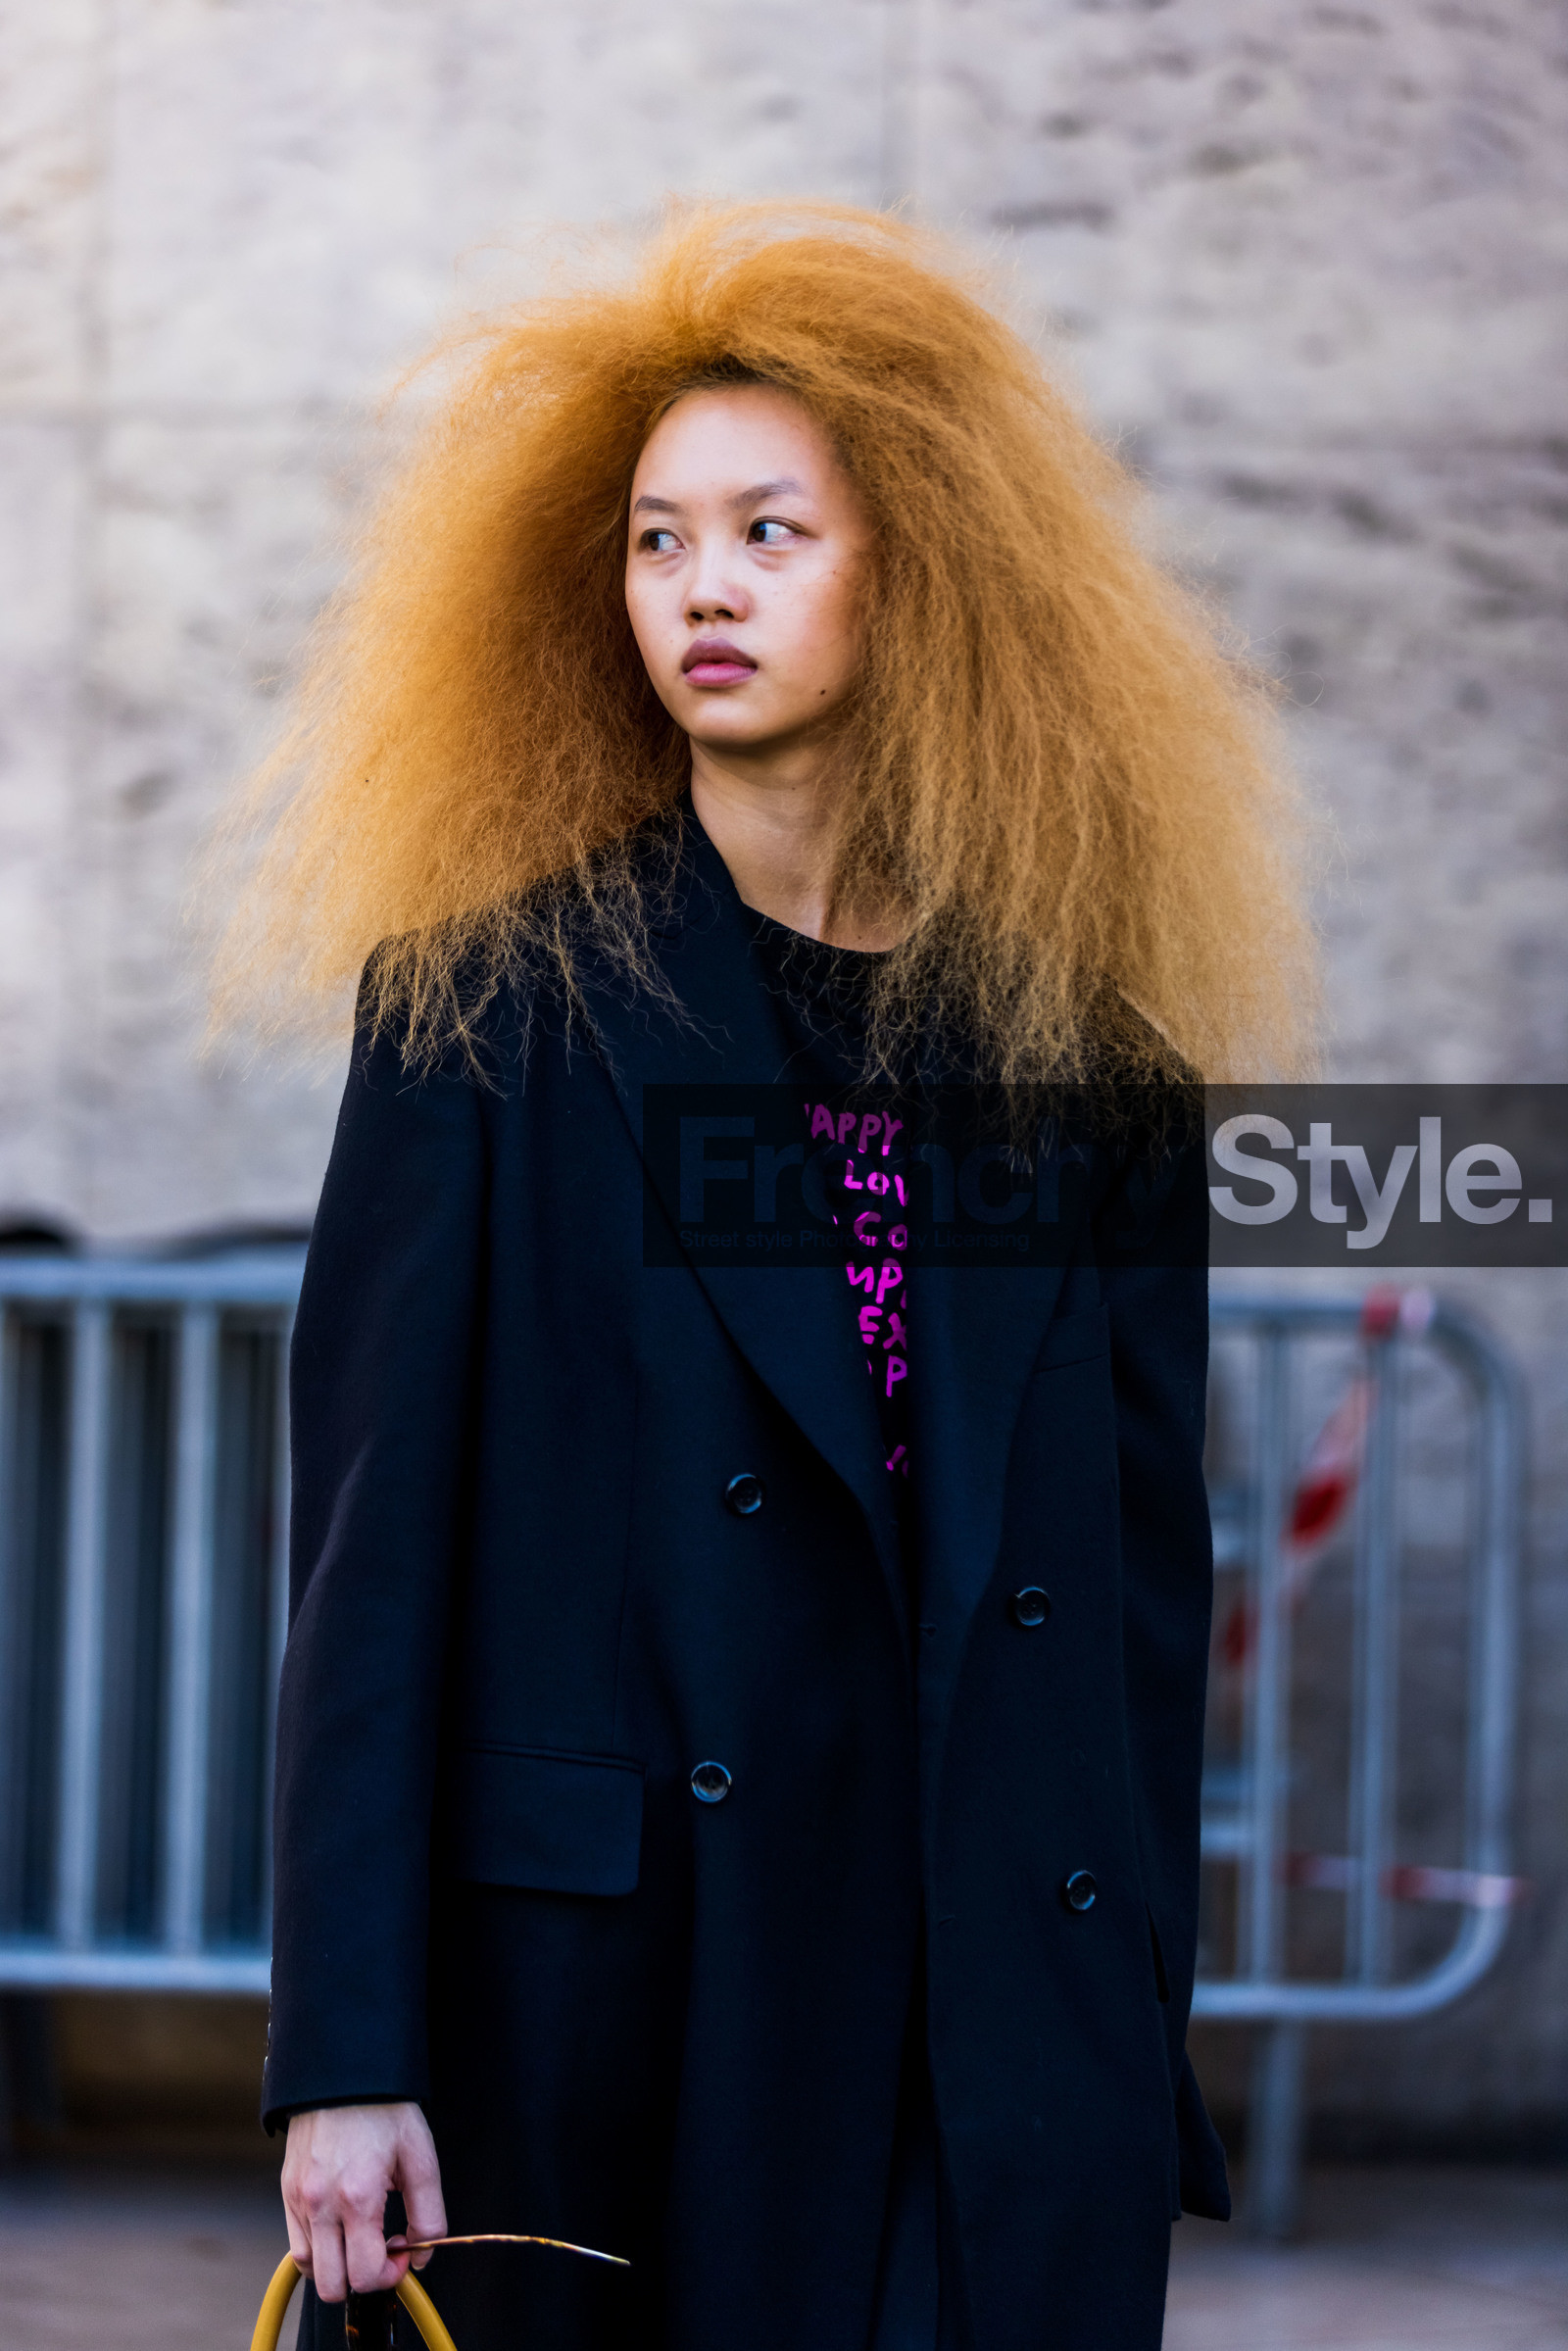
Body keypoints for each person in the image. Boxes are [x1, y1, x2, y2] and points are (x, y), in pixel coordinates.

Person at [223, 203, 1315, 2351]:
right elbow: (369, 1572)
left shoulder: (1082, 1065)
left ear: (922, 573)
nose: (700, 585)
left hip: (981, 2020)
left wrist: (1120, 2028)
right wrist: (342, 2053)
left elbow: (1124, 1598)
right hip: (620, 2014)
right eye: (653, 539)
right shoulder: (489, 1020)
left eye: (767, 532)